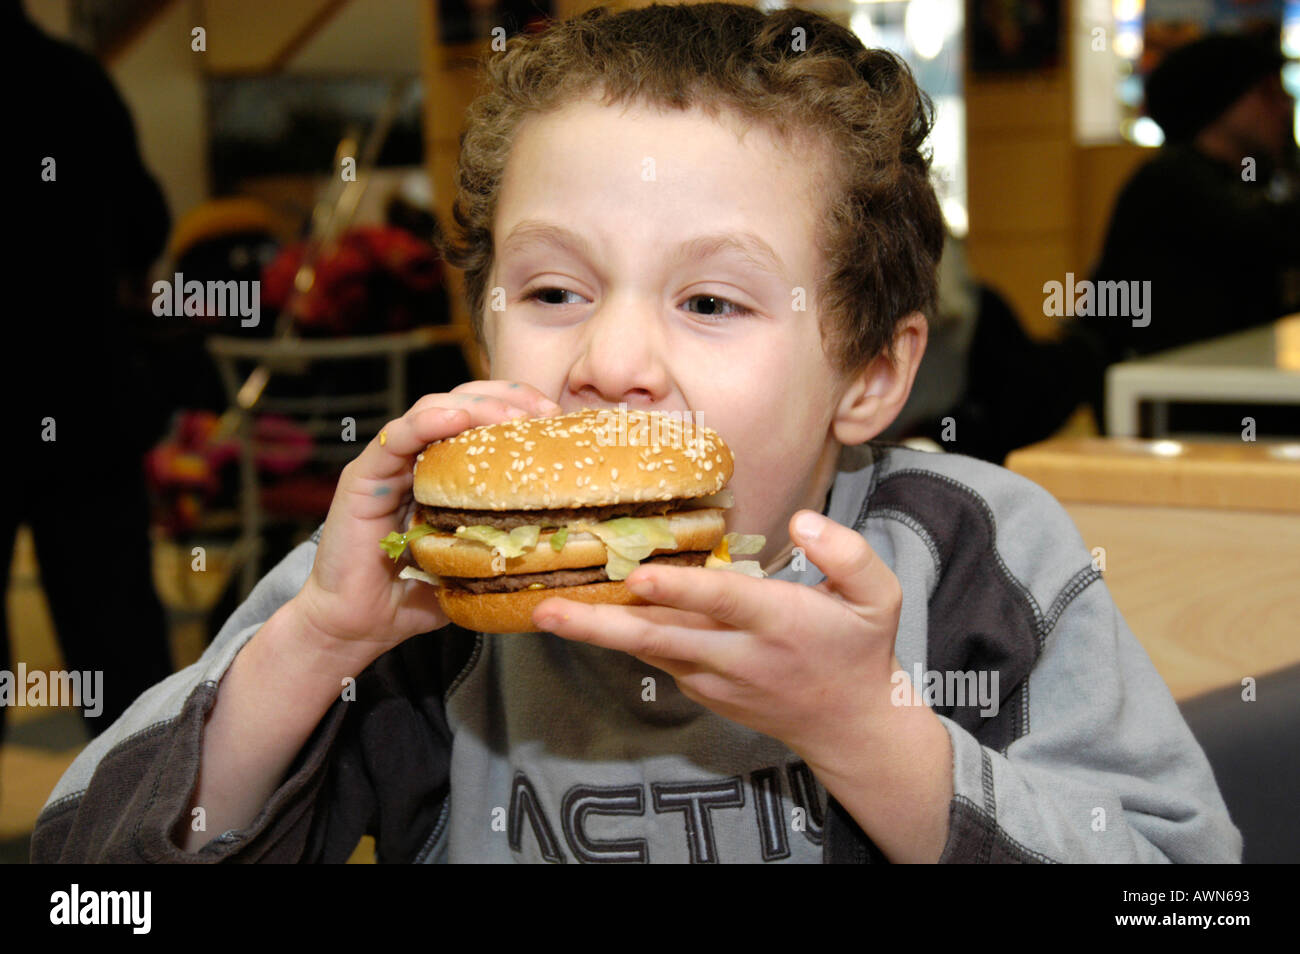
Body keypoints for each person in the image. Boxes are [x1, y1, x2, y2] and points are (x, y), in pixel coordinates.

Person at [31, 3, 1239, 863]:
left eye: (710, 301)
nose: (607, 365)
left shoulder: (980, 557)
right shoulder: (402, 590)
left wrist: (867, 734)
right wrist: (306, 652)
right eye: (554, 293)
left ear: (870, 375)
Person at [4, 1, 173, 747]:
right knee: (117, 636)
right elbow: (146, 220)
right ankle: (143, 830)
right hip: (83, 394)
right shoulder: (74, 78)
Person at [1083, 31, 1300, 434]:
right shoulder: (1174, 181)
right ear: (1221, 106)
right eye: (1268, 93)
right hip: (1183, 416)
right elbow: (1269, 235)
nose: (1285, 107)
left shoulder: (1247, 180)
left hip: (1225, 400)